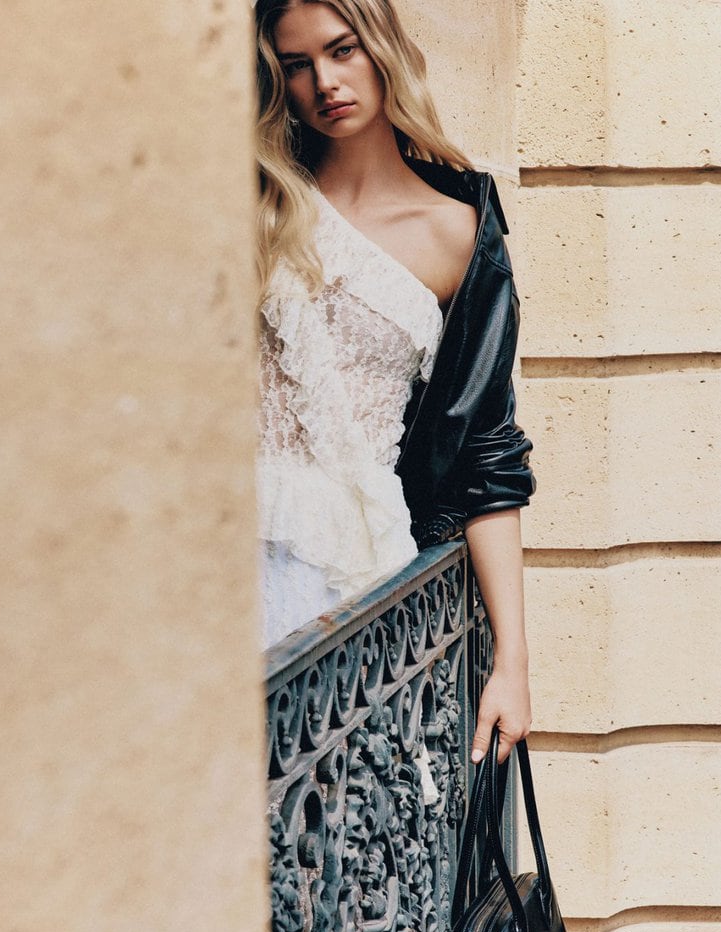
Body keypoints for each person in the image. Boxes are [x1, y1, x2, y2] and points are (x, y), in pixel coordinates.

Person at [254, 0, 534, 763]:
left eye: (342, 50)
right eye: (297, 64)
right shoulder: (259, 206)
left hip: (354, 571)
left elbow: (486, 448)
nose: (324, 82)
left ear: (380, 48)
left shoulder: (456, 233)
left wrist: (512, 660)